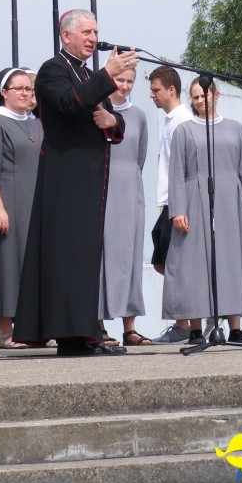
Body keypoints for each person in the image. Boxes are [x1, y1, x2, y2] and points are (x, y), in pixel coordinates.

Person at [13, 9, 140, 356]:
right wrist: (106, 75)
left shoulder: (85, 72)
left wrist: (112, 119)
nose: (92, 38)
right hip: (65, 175)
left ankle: (84, 332)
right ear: (66, 35)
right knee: (68, 255)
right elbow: (70, 104)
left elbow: (104, 118)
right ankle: (73, 336)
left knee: (85, 255)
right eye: (86, 31)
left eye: (96, 31)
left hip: (89, 175)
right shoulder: (53, 69)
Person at [163, 77, 242, 344]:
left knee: (232, 260)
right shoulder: (184, 130)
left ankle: (235, 328)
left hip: (231, 201)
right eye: (195, 97)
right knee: (194, 263)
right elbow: (176, 173)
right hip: (194, 201)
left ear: (216, 95)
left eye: (204, 96)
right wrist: (178, 210)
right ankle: (196, 328)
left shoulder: (235, 129)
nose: (199, 101)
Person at [0, 68, 42, 349]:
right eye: (20, 89)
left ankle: (37, 328)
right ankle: (6, 331)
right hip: (8, 202)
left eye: (29, 90)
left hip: (35, 202)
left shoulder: (37, 124)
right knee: (6, 265)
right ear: (4, 92)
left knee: (34, 265)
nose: (26, 94)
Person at [147, 66, 203, 344]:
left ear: (171, 90)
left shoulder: (183, 120)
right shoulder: (171, 120)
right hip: (168, 202)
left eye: (156, 89)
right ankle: (187, 322)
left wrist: (179, 205)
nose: (151, 95)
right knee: (163, 261)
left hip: (178, 202)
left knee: (176, 263)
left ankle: (186, 324)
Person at [99, 66, 151, 346]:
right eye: (120, 79)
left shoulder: (140, 116)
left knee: (130, 257)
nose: (125, 85)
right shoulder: (96, 111)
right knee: (102, 257)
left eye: (130, 81)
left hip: (131, 189)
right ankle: (99, 325)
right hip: (103, 188)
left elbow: (139, 157)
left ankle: (129, 327)